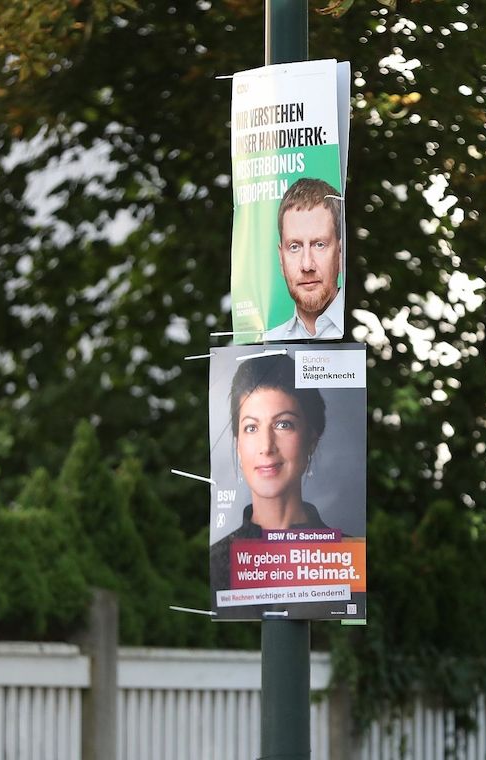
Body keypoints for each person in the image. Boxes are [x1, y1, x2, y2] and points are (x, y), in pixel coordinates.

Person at [210, 353, 332, 594]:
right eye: (251, 427)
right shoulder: (215, 563)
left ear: (311, 439)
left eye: (283, 424)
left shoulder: (344, 556)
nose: (266, 446)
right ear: (238, 444)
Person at [263, 178, 344, 341]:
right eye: (294, 247)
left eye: (319, 244)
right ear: (281, 259)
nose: (307, 265)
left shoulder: (364, 333)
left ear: (340, 253)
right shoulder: (268, 343)